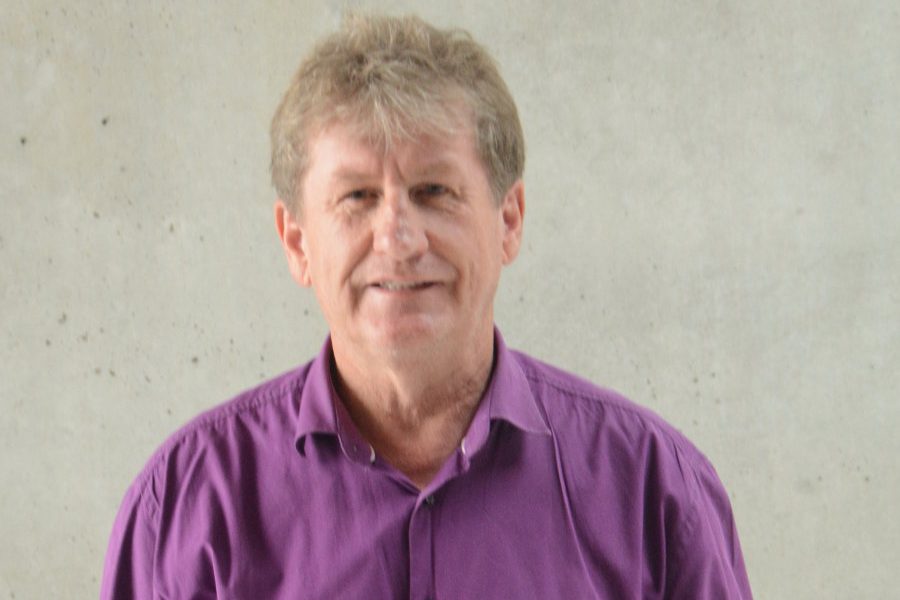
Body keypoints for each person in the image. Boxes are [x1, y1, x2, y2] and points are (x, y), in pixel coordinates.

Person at [101, 13, 753, 599]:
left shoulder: (654, 495)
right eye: (357, 197)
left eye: (434, 190)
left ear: (509, 220)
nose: (398, 238)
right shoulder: (185, 509)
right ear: (297, 243)